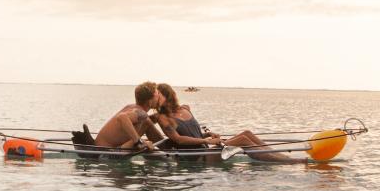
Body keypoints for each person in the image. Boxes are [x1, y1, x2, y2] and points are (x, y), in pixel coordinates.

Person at [155, 83, 304, 162]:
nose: (156, 98)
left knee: (247, 133)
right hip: (198, 156)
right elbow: (179, 139)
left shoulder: (185, 108)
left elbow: (192, 132)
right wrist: (207, 140)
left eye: (158, 95)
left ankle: (280, 157)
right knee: (243, 140)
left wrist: (207, 134)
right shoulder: (162, 117)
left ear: (168, 95)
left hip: (206, 147)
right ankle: (290, 162)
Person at [94, 81, 164, 150]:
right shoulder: (141, 113)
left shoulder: (133, 108)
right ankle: (168, 150)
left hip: (101, 146)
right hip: (105, 152)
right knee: (145, 126)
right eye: (157, 95)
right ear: (150, 101)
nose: (159, 98)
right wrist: (138, 142)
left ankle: (166, 147)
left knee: (147, 122)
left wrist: (160, 116)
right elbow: (122, 117)